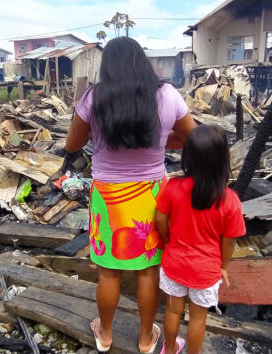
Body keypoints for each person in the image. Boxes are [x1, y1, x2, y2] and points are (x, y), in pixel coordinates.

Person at [65, 36, 196, 353]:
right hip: (152, 196)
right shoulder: (166, 95)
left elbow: (71, 145)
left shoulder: (93, 99)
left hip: (108, 197)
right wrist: (161, 141)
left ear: (107, 66)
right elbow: (193, 138)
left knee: (109, 272)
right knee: (148, 271)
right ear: (143, 62)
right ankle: (145, 339)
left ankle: (105, 335)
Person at [155, 124, 246, 354]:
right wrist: (224, 266)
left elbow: (160, 219)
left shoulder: (173, 188)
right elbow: (230, 240)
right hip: (206, 270)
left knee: (173, 311)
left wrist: (167, 242)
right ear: (223, 159)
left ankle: (170, 348)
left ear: (187, 158)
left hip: (174, 261)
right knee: (197, 318)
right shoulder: (230, 200)